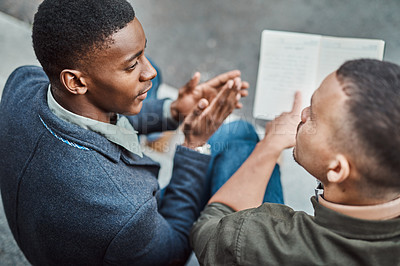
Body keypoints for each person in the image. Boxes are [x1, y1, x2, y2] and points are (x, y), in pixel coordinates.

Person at [0, 0, 253, 265]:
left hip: (51, 228)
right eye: (132, 66)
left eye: (142, 54)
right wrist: (194, 145)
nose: (149, 71)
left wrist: (174, 111)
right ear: (74, 81)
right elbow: (174, 250)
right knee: (239, 135)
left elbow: (94, 113)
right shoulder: (125, 207)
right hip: (123, 230)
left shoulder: (23, 83)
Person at [190, 59, 400, 265]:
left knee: (238, 134)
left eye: (314, 116)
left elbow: (208, 231)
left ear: (336, 169)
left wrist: (271, 144)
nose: (302, 114)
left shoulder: (256, 240)